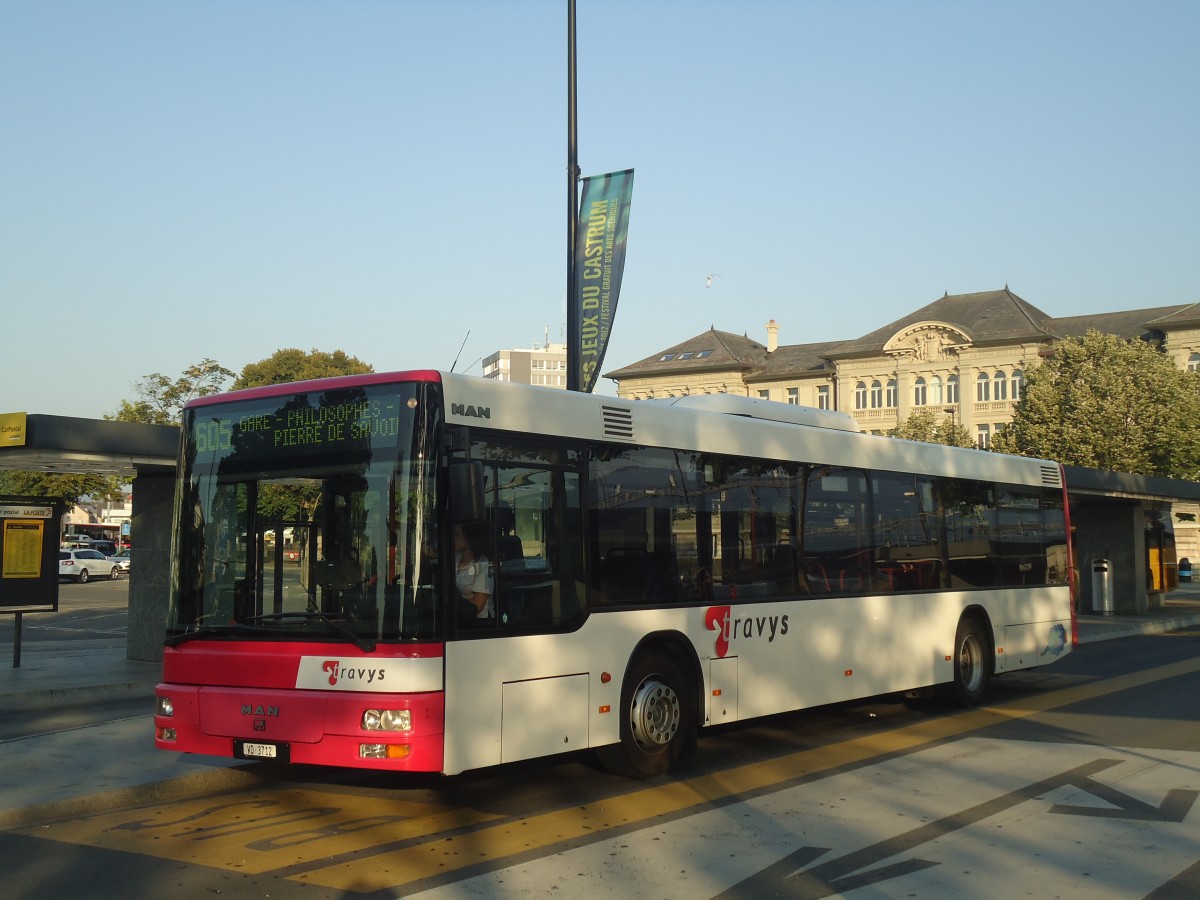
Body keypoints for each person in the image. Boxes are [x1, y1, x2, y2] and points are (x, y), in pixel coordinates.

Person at [454, 523, 493, 623]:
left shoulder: (483, 564)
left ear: (468, 538)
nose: (453, 538)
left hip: (477, 622)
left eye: (457, 535)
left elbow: (478, 605)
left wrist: (453, 600)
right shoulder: (455, 557)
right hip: (457, 616)